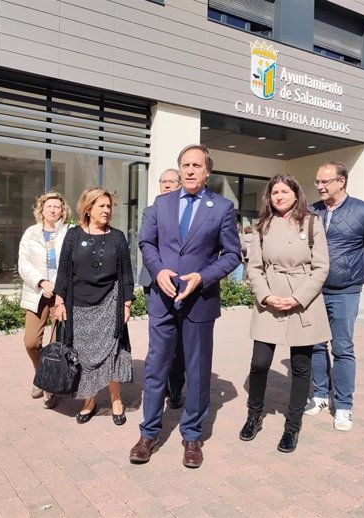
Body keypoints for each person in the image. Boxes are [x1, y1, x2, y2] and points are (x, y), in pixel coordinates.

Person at [130, 144, 240, 468]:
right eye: (185, 165)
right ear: (179, 170)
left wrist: (204, 277)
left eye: (197, 165)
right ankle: (148, 434)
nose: (190, 170)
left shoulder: (221, 207)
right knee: (155, 368)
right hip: (162, 300)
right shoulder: (161, 204)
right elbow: (146, 243)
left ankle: (192, 436)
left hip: (199, 302)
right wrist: (159, 270)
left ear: (207, 172)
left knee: (197, 370)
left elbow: (232, 255)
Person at [240, 174, 330, 453]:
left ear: (295, 194)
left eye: (284, 191)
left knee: (301, 366)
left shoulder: (312, 222)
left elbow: (321, 267)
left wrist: (297, 297)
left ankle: (292, 427)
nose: (279, 196)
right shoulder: (263, 225)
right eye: (274, 192)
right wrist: (266, 295)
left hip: (303, 299)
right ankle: (253, 415)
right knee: (260, 362)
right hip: (270, 298)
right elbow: (253, 267)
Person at [304, 162, 364, 432]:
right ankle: (319, 395)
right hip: (313, 291)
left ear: (342, 181)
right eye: (317, 181)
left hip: (345, 292)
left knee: (342, 348)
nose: (320, 186)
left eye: (325, 181)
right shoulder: (311, 211)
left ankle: (343, 406)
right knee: (315, 345)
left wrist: (357, 276)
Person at [54, 188, 134, 426]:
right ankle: (89, 401)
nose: (107, 211)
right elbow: (64, 272)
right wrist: (59, 300)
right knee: (84, 355)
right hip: (79, 306)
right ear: (88, 209)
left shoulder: (117, 237)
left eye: (109, 206)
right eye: (102, 206)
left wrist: (127, 303)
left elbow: (126, 273)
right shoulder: (73, 236)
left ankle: (116, 399)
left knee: (112, 353)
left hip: (110, 303)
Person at [18, 192, 71, 410]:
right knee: (31, 342)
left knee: (56, 345)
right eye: (48, 206)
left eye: (57, 207)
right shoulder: (31, 233)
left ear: (62, 210)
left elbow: (70, 264)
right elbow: (23, 263)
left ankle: (49, 386)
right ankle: (41, 373)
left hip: (60, 296)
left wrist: (56, 286)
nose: (52, 210)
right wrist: (41, 282)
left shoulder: (70, 233)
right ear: (42, 209)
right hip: (37, 293)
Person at [138, 168, 186, 410]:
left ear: (179, 185)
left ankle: (176, 386)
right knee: (158, 339)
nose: (166, 185)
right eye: (163, 181)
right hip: (154, 282)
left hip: (181, 282)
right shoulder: (151, 210)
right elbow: (146, 243)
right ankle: (160, 386)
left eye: (171, 182)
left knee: (179, 341)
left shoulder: (187, 213)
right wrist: (159, 271)